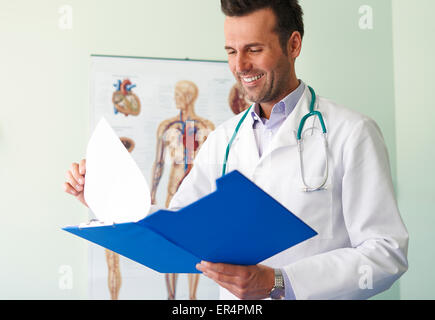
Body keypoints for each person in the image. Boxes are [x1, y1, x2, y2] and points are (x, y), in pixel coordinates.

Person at [64, 0, 408, 300]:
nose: (240, 65)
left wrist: (279, 282)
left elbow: (386, 253)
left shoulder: (352, 132)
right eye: (231, 51)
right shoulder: (223, 139)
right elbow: (176, 230)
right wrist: (106, 198)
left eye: (254, 49)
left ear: (294, 44)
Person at [150, 80, 214, 300]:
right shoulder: (166, 127)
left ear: (188, 97)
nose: (175, 98)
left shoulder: (207, 128)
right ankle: (171, 296)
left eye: (179, 94)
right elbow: (158, 163)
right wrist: (151, 193)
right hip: (172, 190)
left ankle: (192, 298)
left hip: (198, 195)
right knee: (170, 247)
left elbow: (213, 168)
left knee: (194, 247)